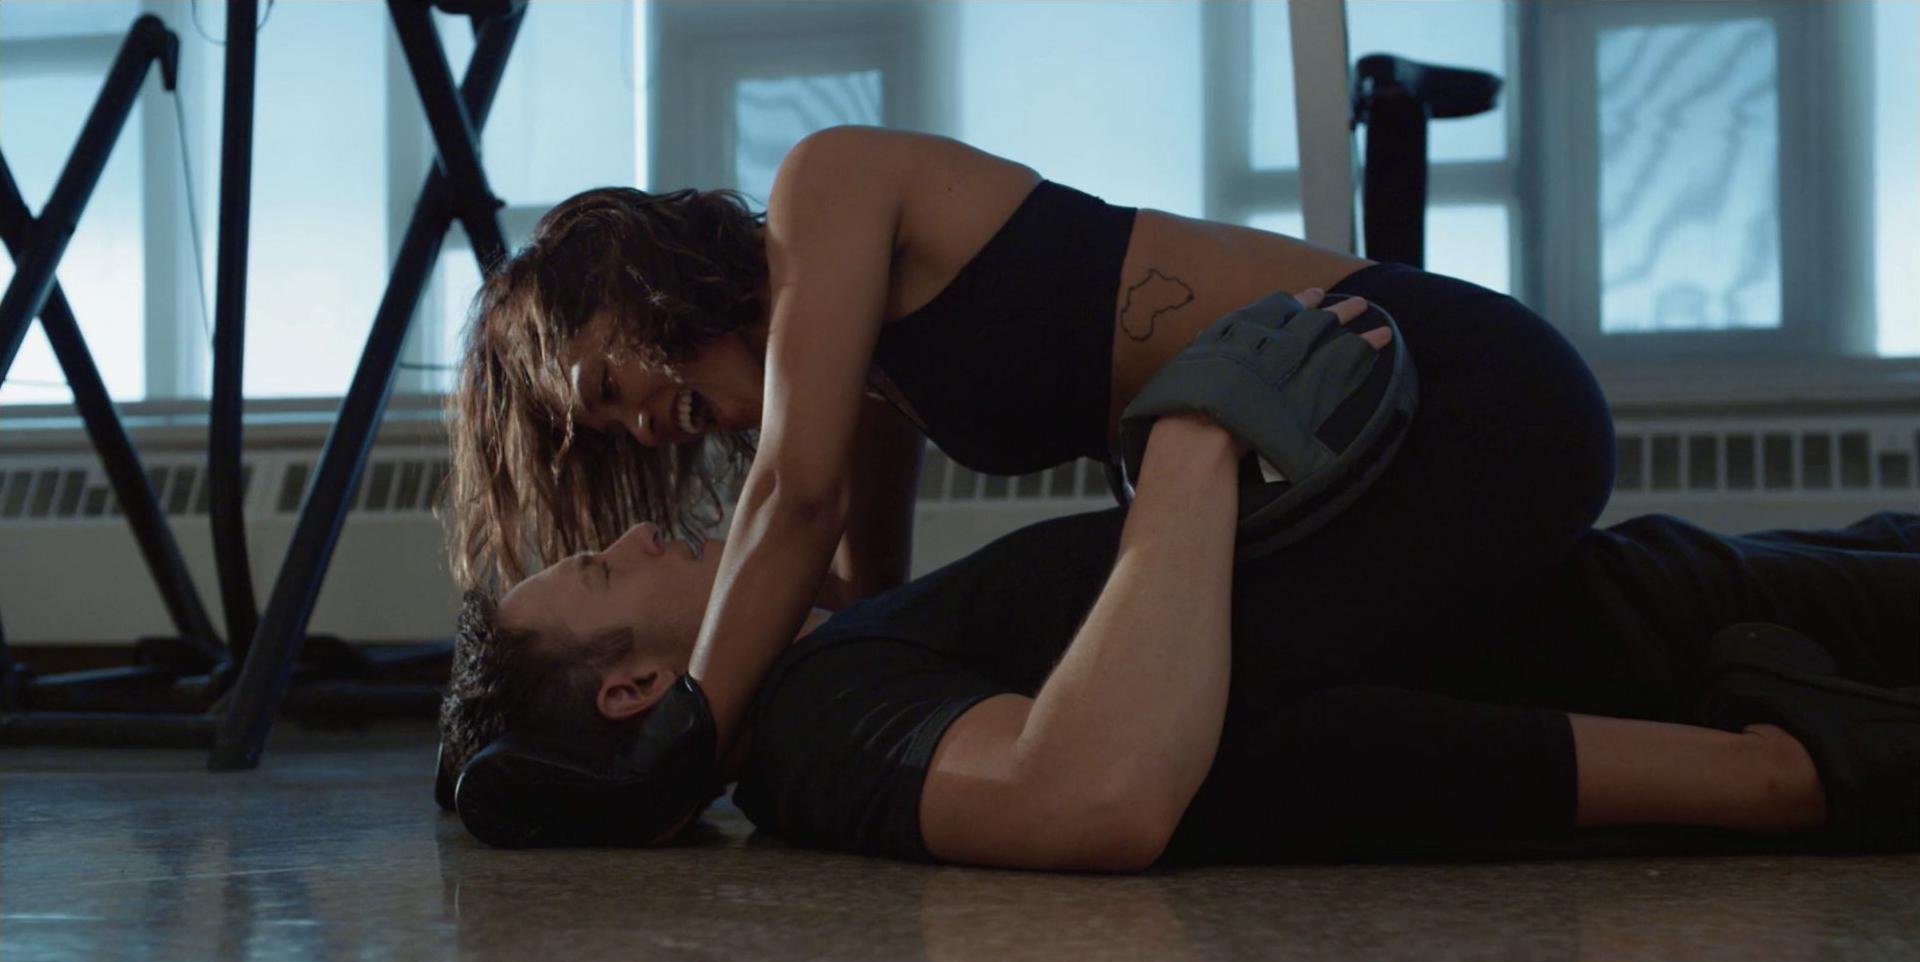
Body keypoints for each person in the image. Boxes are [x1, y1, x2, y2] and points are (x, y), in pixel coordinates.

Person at [445, 127, 1615, 805]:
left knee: (1226, 725)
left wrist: (675, 750)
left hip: (1465, 394)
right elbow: (871, 608)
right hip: (1357, 472)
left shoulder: (828, 187)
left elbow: (797, 499)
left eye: (607, 388)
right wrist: (552, 741)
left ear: (626, 285)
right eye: (614, 432)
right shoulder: (858, 373)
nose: (644, 431)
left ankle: (1716, 774)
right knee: (1194, 709)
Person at [437, 391, 1920, 868]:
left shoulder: (831, 675)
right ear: (636, 687)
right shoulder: (818, 726)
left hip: (1623, 601)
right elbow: (1116, 789)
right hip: (1641, 635)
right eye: (600, 570)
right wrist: (1201, 433)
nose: (640, 534)